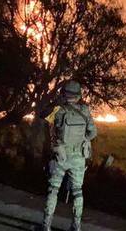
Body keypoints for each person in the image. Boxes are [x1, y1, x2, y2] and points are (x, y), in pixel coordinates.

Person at [42, 80, 97, 231]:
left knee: (53, 190)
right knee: (77, 192)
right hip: (78, 157)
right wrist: (83, 140)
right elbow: (93, 133)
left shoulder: (57, 110)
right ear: (79, 95)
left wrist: (56, 102)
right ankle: (76, 227)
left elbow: (43, 116)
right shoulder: (85, 111)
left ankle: (46, 227)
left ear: (64, 94)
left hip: (60, 156)